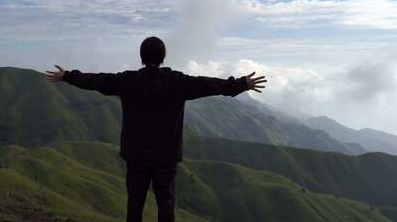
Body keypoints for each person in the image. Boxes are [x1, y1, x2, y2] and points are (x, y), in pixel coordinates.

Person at [46, 36, 266, 222]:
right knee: (166, 204)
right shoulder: (178, 82)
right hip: (166, 157)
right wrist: (241, 84)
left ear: (141, 57)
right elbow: (210, 85)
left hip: (136, 156)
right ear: (163, 57)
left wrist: (67, 76)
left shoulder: (127, 81)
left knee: (135, 203)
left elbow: (97, 81)